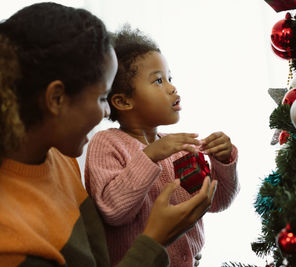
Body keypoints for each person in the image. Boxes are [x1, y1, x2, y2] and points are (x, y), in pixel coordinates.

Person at [0, 3, 217, 267]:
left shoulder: (58, 158)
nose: (107, 112)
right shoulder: (10, 242)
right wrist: (154, 242)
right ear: (56, 98)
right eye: (103, 97)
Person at [84, 25, 239, 267]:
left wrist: (224, 161)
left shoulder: (177, 146)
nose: (172, 87)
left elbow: (217, 201)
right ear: (123, 101)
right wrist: (151, 156)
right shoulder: (106, 144)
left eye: (170, 78)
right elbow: (113, 210)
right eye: (158, 80)